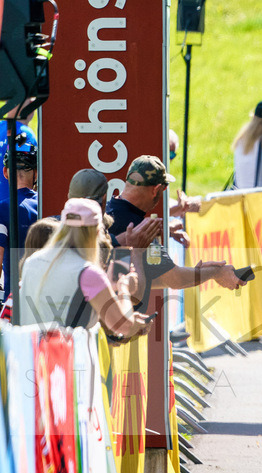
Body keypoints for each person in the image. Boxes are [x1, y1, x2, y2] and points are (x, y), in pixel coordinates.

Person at [106, 155, 246, 313]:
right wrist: (216, 272)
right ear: (156, 189)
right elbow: (174, 279)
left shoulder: (110, 209)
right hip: (116, 322)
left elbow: (155, 278)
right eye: (164, 188)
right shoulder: (138, 227)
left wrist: (201, 273)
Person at [18, 198, 151, 336]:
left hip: (31, 354)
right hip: (69, 355)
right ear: (96, 233)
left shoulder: (32, 262)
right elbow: (123, 326)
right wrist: (124, 288)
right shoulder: (88, 273)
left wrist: (107, 288)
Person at [0, 133, 39, 298]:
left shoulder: (3, 208)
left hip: (14, 301)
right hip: (46, 299)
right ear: (36, 173)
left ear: (5, 172)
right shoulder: (48, 206)